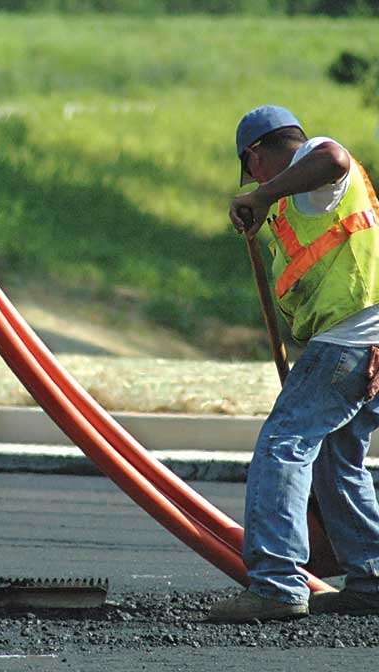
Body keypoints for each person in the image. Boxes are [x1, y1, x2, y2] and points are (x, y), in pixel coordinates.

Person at [207, 105, 379, 623]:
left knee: (284, 443)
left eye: (252, 169)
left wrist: (262, 194)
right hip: (367, 338)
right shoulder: (301, 199)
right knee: (336, 455)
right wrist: (266, 206)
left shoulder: (312, 161)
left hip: (351, 338)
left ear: (257, 154)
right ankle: (372, 580)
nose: (256, 180)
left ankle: (277, 584)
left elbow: (331, 156)